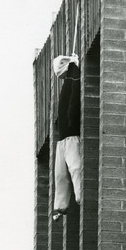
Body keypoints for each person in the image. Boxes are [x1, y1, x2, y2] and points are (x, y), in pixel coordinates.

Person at [52, 54, 81, 221]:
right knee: (60, 174)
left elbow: (74, 101)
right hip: (64, 137)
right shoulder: (69, 79)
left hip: (70, 134)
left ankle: (79, 194)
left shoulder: (73, 75)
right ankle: (60, 205)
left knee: (74, 167)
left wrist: (71, 118)